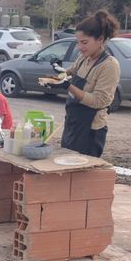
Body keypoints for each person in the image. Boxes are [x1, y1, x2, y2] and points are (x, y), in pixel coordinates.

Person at [45, 10, 120, 157]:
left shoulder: (109, 65)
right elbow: (70, 71)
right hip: (73, 122)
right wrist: (56, 75)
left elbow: (98, 101)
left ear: (100, 39)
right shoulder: (83, 58)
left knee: (81, 171)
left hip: (91, 129)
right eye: (78, 42)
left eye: (84, 42)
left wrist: (67, 86)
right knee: (65, 161)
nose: (80, 47)